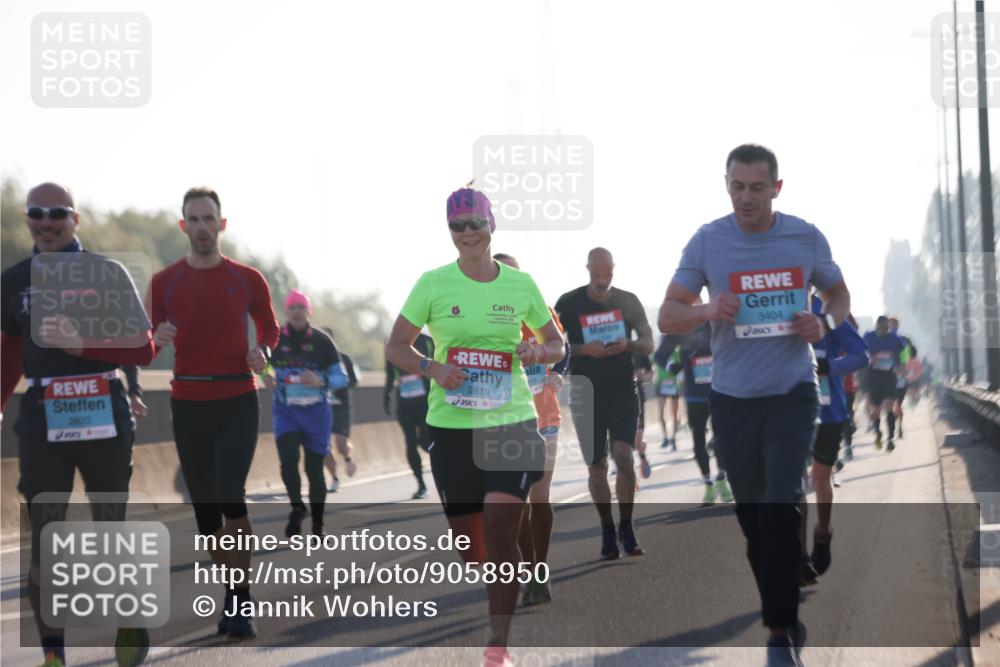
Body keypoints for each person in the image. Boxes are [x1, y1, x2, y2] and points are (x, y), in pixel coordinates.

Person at [659, 144, 850, 667]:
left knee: (780, 502)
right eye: (737, 187)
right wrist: (705, 309)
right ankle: (783, 596)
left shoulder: (804, 237)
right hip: (732, 398)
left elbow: (838, 296)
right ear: (727, 186)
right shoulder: (708, 240)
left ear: (776, 189)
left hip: (792, 391)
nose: (746, 197)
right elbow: (667, 315)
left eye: (757, 188)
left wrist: (824, 323)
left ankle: (779, 631)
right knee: (752, 516)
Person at [384, 187, 565, 667]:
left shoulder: (520, 286)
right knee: (473, 548)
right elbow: (396, 346)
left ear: (491, 225)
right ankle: (505, 580)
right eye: (457, 226)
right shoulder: (432, 283)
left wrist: (537, 351)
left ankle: (497, 645)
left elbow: (557, 343)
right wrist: (433, 368)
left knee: (502, 529)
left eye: (475, 223)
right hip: (451, 427)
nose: (467, 233)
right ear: (450, 232)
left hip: (511, 423)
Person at [1, 183, 155, 667]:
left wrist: (82, 346)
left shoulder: (106, 272)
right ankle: (53, 656)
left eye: (57, 213)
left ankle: (128, 617)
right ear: (27, 220)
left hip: (104, 411)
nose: (47, 222)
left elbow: (144, 348)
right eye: (36, 214)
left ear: (75, 219)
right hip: (45, 417)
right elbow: (9, 350)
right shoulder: (13, 280)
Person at [147, 187, 279, 640]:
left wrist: (262, 350)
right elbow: (146, 343)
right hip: (187, 403)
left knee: (229, 495)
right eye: (193, 219)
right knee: (205, 516)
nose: (202, 227)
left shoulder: (247, 278)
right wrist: (157, 336)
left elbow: (270, 327)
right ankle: (233, 586)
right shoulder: (165, 282)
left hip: (237, 399)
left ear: (222, 224)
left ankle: (239, 599)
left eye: (209, 219)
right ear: (183, 226)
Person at [555, 247, 654, 560]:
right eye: (596, 275)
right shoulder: (569, 303)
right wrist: (585, 351)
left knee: (624, 457)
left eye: (607, 274)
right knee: (597, 468)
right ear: (587, 269)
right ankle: (607, 529)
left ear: (613, 270)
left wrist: (629, 345)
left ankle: (627, 525)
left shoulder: (628, 300)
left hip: (624, 389)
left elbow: (649, 342)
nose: (601, 281)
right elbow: (555, 345)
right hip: (586, 392)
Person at [494, 252, 569, 607]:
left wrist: (554, 369)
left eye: (511, 272)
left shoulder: (536, 307)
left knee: (539, 497)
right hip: (505, 421)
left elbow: (562, 348)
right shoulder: (486, 319)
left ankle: (540, 569)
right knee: (518, 504)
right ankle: (530, 567)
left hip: (544, 417)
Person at [266, 290, 348, 538]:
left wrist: (320, 379)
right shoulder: (276, 339)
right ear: (286, 311)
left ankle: (318, 524)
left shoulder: (323, 341)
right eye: (292, 307)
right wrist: (265, 377)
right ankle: (297, 507)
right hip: (287, 412)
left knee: (314, 469)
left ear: (308, 311)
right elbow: (262, 366)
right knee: (288, 460)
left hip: (316, 415)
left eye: (301, 307)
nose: (297, 311)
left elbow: (341, 377)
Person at [799, 296, 867, 582]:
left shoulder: (827, 311)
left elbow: (861, 355)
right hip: (790, 410)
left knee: (820, 479)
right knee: (794, 483)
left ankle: (822, 535)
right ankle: (800, 556)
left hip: (828, 410)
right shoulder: (772, 307)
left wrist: (829, 367)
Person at [655, 323, 732, 505]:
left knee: (722, 437)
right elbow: (660, 355)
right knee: (698, 440)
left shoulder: (714, 321)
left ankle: (721, 478)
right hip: (694, 396)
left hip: (720, 390)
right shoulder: (682, 325)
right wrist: (673, 367)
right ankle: (708, 484)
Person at [384, 331, 434, 499]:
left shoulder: (428, 341)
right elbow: (390, 371)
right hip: (405, 403)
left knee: (427, 443)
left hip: (426, 402)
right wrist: (387, 394)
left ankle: (449, 473)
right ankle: (421, 485)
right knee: (410, 442)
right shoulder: (393, 341)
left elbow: (440, 366)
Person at [321, 328, 358, 491]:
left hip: (341, 407)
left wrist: (338, 383)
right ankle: (334, 478)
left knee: (340, 444)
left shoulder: (345, 359)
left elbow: (354, 381)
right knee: (324, 445)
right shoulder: (316, 360)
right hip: (323, 407)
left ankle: (348, 457)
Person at [861, 316, 906, 452]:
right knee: (876, 408)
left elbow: (903, 351)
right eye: (881, 328)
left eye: (886, 328)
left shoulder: (894, 338)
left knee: (889, 405)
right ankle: (878, 432)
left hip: (889, 375)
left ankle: (890, 437)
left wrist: (902, 364)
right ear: (876, 327)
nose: (884, 331)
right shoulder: (868, 337)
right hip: (873, 375)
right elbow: (860, 351)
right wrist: (869, 358)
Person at [887, 316, 917, 438]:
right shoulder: (884, 340)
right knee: (890, 404)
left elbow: (908, 356)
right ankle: (892, 430)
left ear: (898, 326)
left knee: (898, 404)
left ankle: (899, 427)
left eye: (895, 324)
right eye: (891, 324)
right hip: (887, 376)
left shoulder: (903, 340)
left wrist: (903, 367)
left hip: (900, 377)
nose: (893, 326)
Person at [654, 343, 683, 450]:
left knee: (674, 414)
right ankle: (665, 437)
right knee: (660, 414)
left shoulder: (677, 352)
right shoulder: (657, 353)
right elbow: (649, 364)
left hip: (674, 385)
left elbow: (682, 367)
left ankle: (673, 438)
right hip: (660, 385)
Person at [632, 351, 654, 480]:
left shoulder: (638, 351)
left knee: (637, 441)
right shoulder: (606, 350)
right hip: (614, 401)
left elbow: (651, 373)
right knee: (619, 441)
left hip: (637, 398)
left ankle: (643, 457)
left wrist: (644, 377)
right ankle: (628, 475)